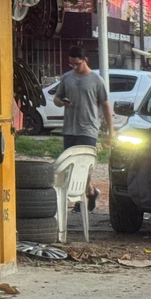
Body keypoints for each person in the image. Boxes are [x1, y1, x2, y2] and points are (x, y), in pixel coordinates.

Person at [53, 46, 114, 210]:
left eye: (77, 64)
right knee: (70, 165)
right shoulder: (67, 78)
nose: (73, 67)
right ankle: (89, 191)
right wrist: (61, 102)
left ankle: (82, 197)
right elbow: (56, 98)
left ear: (85, 60)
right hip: (69, 128)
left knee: (84, 165)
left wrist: (110, 131)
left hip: (88, 129)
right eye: (71, 64)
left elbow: (106, 105)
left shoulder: (96, 80)